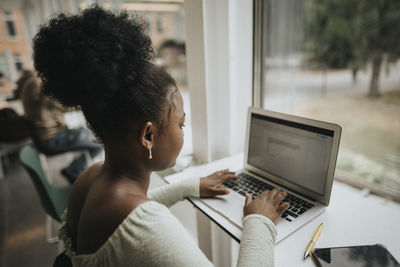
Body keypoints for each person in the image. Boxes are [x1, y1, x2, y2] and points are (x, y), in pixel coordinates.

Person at [33, 6, 290, 266]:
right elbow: (138, 221)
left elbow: (130, 217)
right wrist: (259, 221)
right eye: (180, 124)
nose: (182, 132)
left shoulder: (91, 179)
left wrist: (190, 186)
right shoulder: (144, 223)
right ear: (148, 136)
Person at [18, 70, 102, 184]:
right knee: (99, 142)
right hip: (53, 139)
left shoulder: (29, 84)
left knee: (85, 132)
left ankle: (75, 170)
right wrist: (86, 103)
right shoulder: (40, 84)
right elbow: (63, 105)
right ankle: (74, 170)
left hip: (43, 137)